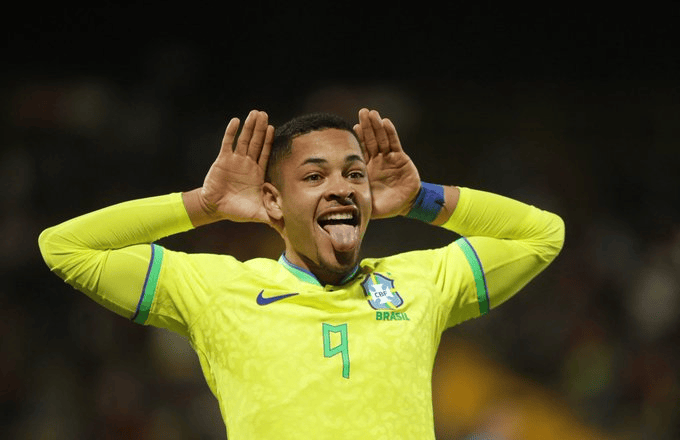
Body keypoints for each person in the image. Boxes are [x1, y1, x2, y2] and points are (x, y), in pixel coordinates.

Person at [38, 108, 565, 439]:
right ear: (273, 201)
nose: (341, 188)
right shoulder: (217, 290)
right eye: (314, 176)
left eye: (354, 174)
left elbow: (542, 235)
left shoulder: (420, 282)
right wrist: (203, 205)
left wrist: (419, 199)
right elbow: (65, 247)